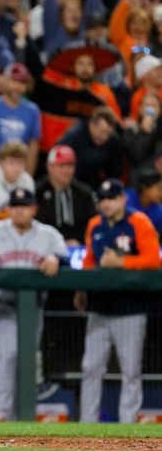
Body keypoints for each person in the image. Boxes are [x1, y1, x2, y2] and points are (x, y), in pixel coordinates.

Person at [0, 188, 69, 422]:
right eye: (15, 205)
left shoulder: (48, 234)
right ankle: (0, 414)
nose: (19, 210)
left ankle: (23, 416)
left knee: (28, 358)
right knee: (11, 351)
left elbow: (68, 257)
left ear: (34, 208)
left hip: (33, 309)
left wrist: (56, 259)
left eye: (24, 205)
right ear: (9, 209)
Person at [77, 179, 161, 423]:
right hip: (99, 307)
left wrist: (122, 263)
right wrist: (82, 287)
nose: (106, 204)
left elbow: (154, 260)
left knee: (130, 371)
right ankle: (87, 423)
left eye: (111, 198)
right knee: (91, 367)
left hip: (130, 309)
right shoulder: (95, 224)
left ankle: (128, 425)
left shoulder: (138, 222)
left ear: (123, 199)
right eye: (102, 199)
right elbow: (89, 261)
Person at [0, 62, 41, 172]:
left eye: (22, 82)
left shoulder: (32, 110)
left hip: (19, 173)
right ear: (5, 81)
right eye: (14, 81)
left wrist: (28, 175)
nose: (18, 87)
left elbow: (33, 147)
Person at [35, 145, 97, 245]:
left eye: (70, 165)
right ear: (49, 166)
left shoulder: (84, 194)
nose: (66, 170)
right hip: (45, 246)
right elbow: (36, 225)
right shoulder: (37, 192)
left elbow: (91, 225)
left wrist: (79, 241)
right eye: (61, 165)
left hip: (78, 245)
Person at [55, 106, 124, 191]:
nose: (105, 137)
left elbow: (115, 172)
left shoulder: (114, 142)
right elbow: (57, 161)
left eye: (108, 134)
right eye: (102, 132)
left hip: (97, 186)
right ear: (91, 125)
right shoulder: (73, 136)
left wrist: (108, 191)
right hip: (72, 183)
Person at [0, 141, 35, 221]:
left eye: (20, 163)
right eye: (11, 163)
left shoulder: (27, 182)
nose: (16, 168)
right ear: (1, 163)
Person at [126, 171, 162, 235]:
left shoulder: (159, 211)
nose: (161, 193)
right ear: (145, 188)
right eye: (159, 188)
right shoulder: (126, 198)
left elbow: (155, 236)